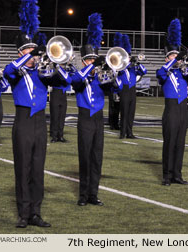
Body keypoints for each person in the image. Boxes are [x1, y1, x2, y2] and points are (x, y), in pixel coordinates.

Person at [3, 0, 72, 228]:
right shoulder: (17, 72)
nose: (32, 55)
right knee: (22, 168)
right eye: (27, 51)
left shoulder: (44, 73)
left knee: (38, 168)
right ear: (22, 52)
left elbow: (64, 81)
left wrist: (53, 61)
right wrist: (29, 55)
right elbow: (8, 70)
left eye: (33, 50)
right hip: (23, 121)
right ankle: (23, 213)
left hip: (40, 122)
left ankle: (35, 212)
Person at [70, 13, 121, 206]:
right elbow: (75, 82)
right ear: (84, 61)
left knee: (97, 157)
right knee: (84, 157)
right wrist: (90, 69)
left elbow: (116, 87)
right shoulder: (78, 74)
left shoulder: (101, 76)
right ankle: (83, 195)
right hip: (84, 118)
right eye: (89, 60)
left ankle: (93, 194)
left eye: (94, 59)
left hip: (98, 118)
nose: (93, 62)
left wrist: (112, 73)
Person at [156, 18, 188, 186]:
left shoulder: (183, 72)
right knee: (170, 143)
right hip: (171, 109)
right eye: (172, 56)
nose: (176, 58)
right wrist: (174, 60)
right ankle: (166, 176)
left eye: (176, 55)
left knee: (180, 143)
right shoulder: (163, 71)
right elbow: (160, 74)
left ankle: (177, 175)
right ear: (167, 58)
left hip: (182, 109)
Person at [116, 34, 147, 139]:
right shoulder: (121, 67)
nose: (128, 59)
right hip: (124, 90)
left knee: (131, 113)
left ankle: (130, 133)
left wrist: (137, 63)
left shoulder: (134, 68)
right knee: (124, 112)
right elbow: (117, 72)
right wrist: (127, 64)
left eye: (129, 57)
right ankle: (122, 133)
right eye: (127, 57)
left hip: (132, 90)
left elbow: (144, 71)